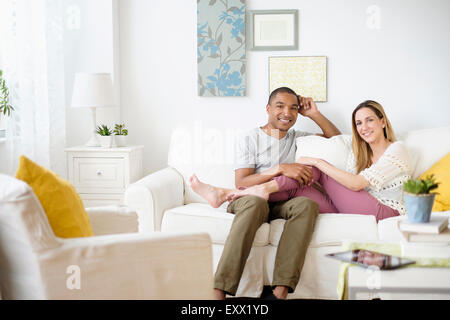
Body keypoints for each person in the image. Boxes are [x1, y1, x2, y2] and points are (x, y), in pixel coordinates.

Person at [190, 87, 341, 300]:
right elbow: (241, 182)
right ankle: (219, 291)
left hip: (281, 202)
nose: (287, 113)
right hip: (247, 200)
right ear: (268, 108)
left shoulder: (298, 139)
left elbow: (338, 142)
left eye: (293, 108)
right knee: (256, 203)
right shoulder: (250, 138)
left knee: (307, 205)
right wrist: (279, 168)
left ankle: (280, 292)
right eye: (280, 106)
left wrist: (314, 113)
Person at [220, 100, 411, 222]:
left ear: (383, 122)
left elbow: (356, 184)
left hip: (385, 213)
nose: (364, 127)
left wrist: (319, 162)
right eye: (359, 123)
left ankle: (255, 190)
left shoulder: (397, 149)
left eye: (369, 120)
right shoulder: (358, 151)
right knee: (300, 185)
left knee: (315, 167)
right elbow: (335, 139)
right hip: (351, 209)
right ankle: (242, 194)